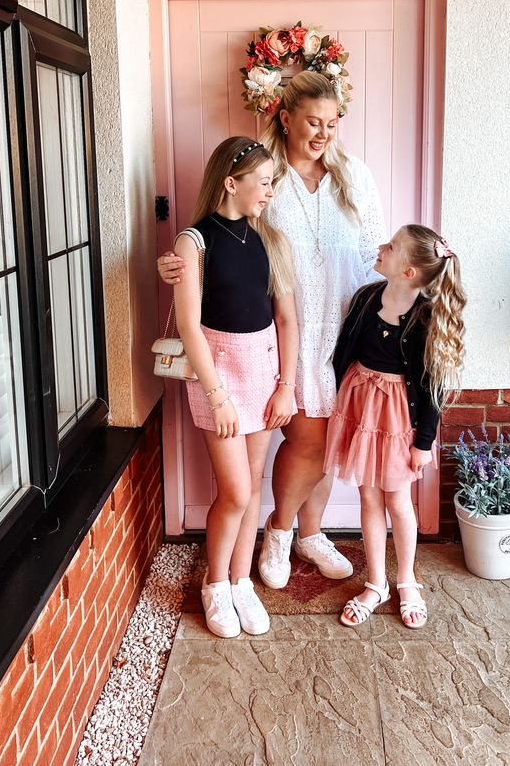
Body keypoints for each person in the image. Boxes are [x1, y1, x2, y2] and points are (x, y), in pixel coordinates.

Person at [158, 71, 386, 587]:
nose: (324, 134)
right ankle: (279, 532)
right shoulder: (263, 174)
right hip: (278, 334)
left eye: (332, 123)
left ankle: (311, 532)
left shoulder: (355, 176)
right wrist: (171, 265)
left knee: (329, 440)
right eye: (312, 121)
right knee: (310, 438)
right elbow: (222, 236)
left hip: (343, 325)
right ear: (285, 117)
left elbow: (375, 251)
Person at [172, 136, 298, 638]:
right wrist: (217, 395)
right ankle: (215, 584)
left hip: (264, 373)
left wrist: (285, 386)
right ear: (231, 182)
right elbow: (188, 327)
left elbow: (286, 319)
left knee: (253, 488)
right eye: (263, 182)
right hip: (218, 377)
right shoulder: (193, 243)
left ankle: (242, 581)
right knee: (237, 492)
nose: (269, 192)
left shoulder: (270, 240)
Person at [324, 224, 466, 629]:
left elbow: (433, 387)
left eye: (391, 246)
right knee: (369, 501)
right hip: (360, 409)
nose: (381, 247)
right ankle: (375, 583)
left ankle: (406, 580)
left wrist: (424, 442)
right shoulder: (367, 298)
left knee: (398, 502)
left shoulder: (425, 317)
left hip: (397, 418)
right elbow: (343, 352)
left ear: (408, 272)